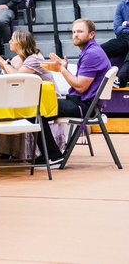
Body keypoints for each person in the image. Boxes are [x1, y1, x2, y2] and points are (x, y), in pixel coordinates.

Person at [39, 20, 111, 162]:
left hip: (85, 107)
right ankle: (52, 153)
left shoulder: (92, 54)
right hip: (83, 103)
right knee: (38, 106)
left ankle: (53, 156)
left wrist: (62, 69)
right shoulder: (90, 51)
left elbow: (80, 87)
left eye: (80, 31)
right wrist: (62, 68)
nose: (75, 35)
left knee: (35, 110)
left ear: (91, 35)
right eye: (73, 32)